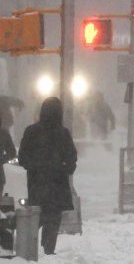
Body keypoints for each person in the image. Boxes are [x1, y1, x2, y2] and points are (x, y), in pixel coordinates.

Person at [17, 97, 77, 256]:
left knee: (36, 216)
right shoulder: (63, 133)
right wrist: (65, 168)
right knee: (53, 217)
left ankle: (27, 249)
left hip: (37, 183)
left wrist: (36, 167)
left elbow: (23, 157)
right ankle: (48, 250)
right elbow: (71, 157)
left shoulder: (31, 131)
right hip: (57, 184)